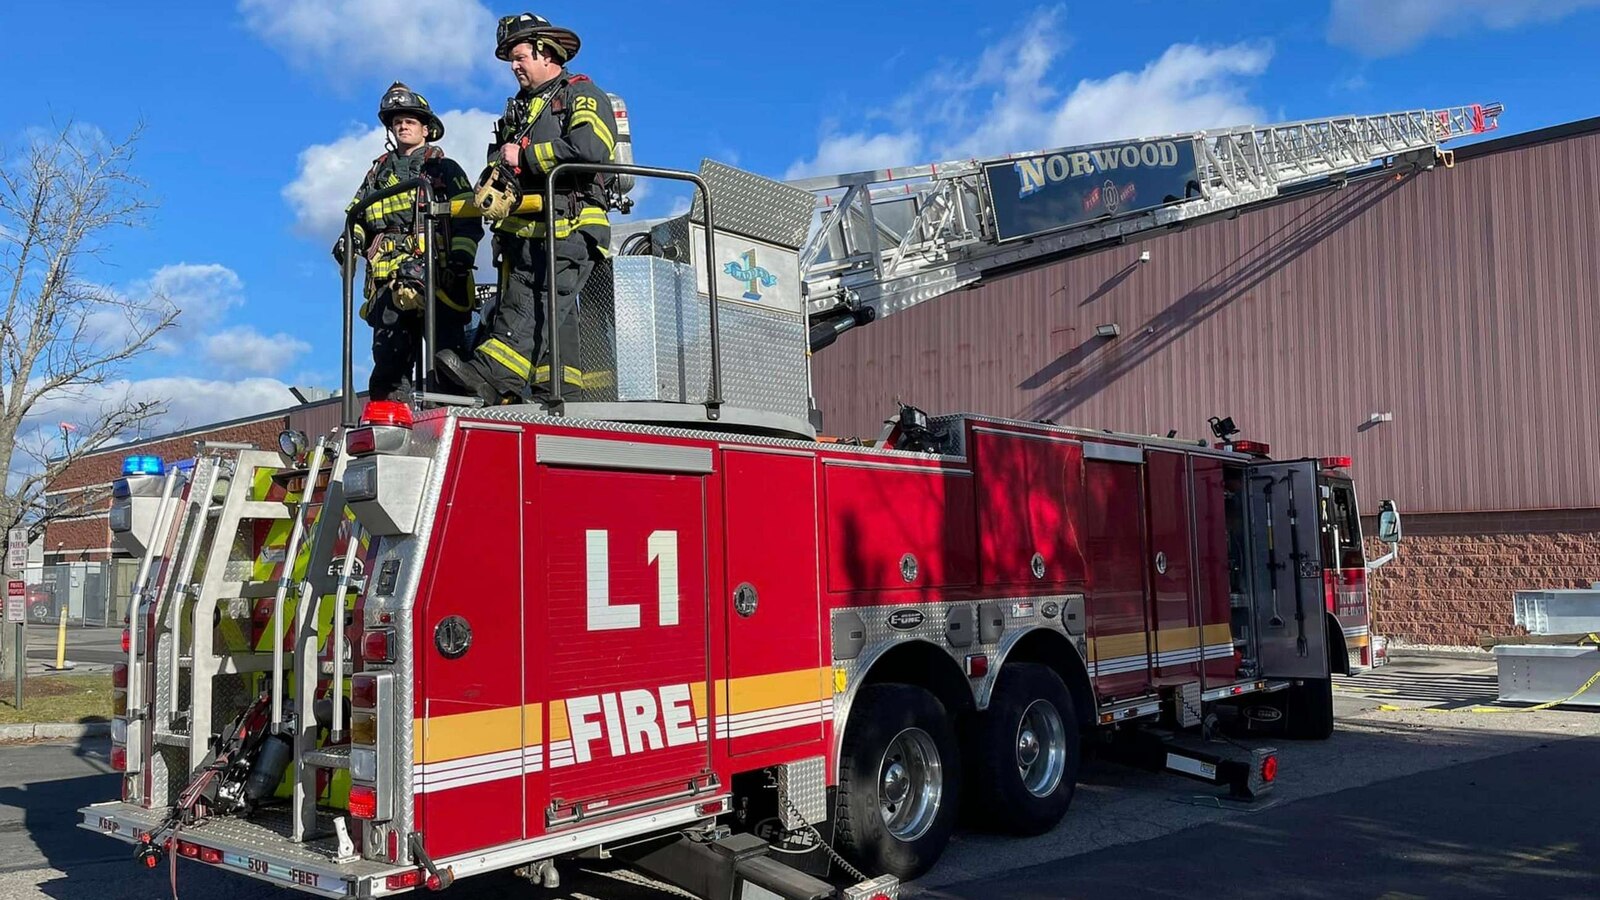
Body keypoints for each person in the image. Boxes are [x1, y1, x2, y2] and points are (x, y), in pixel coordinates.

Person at [435, 13, 617, 405]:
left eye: (519, 57)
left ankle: (493, 375)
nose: (513, 67)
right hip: (526, 233)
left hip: (570, 225)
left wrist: (526, 156)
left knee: (530, 303)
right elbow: (502, 163)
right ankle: (558, 391)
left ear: (545, 52)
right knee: (555, 314)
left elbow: (590, 152)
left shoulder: (581, 95)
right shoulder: (518, 112)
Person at [334, 82, 483, 401]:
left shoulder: (444, 169)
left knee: (447, 361)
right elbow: (356, 218)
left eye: (410, 120)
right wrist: (350, 241)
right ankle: (391, 420)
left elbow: (468, 215)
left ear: (426, 130)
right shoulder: (377, 175)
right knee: (389, 362)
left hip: (440, 278)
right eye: (397, 121)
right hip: (388, 284)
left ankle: (448, 414)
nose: (402, 125)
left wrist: (461, 257)